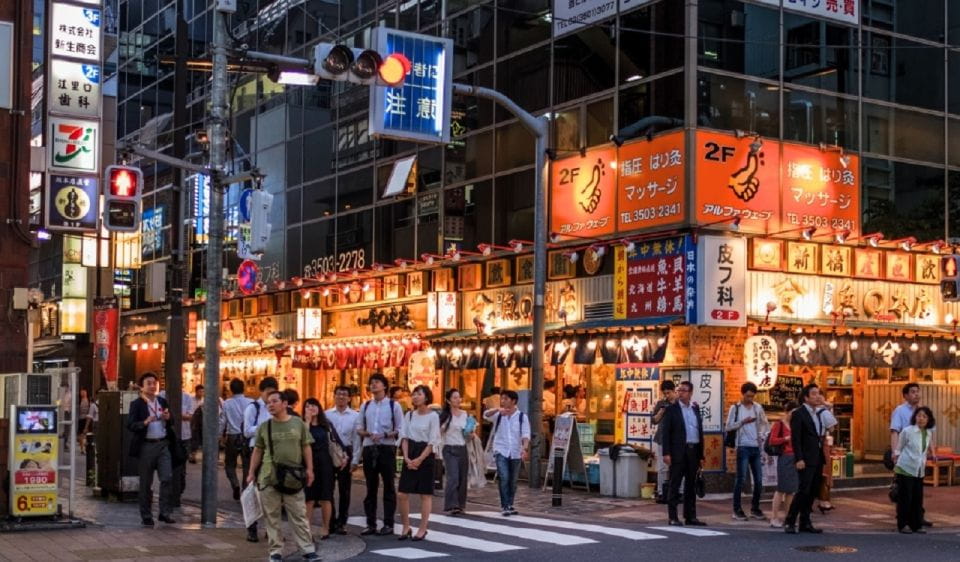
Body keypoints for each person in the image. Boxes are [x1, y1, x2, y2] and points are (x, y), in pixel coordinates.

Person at [246, 390, 319, 562]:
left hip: (293, 477)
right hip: (269, 477)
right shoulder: (265, 426)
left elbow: (306, 446)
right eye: (268, 403)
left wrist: (310, 469)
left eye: (274, 401)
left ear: (285, 404)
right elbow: (258, 450)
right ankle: (275, 551)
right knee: (272, 517)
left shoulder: (298, 423)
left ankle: (307, 549)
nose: (270, 405)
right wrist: (251, 472)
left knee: (299, 515)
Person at [356, 373, 404, 536]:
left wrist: (385, 435)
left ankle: (389, 523)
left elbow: (400, 428)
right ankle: (371, 523)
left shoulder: (393, 406)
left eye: (377, 382)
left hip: (387, 448)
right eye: (372, 383)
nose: (373, 385)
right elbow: (359, 428)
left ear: (384, 386)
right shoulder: (366, 405)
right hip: (370, 448)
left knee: (389, 486)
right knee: (370, 487)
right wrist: (367, 434)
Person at [127, 372, 176, 526]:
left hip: (162, 443)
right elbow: (130, 425)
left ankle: (164, 512)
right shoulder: (137, 404)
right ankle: (146, 515)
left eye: (154, 383)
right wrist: (145, 422)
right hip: (146, 444)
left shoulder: (162, 401)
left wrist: (169, 418)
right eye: (149, 383)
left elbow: (171, 420)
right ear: (142, 387)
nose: (153, 386)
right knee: (146, 483)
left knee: (167, 478)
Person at [398, 385, 441, 541]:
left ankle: (422, 528)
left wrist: (420, 459)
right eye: (414, 394)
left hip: (426, 454)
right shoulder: (409, 415)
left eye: (419, 394)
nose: (415, 397)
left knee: (425, 494)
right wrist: (407, 457)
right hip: (411, 451)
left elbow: (433, 440)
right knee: (402, 493)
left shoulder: (433, 416)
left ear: (426, 397)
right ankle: (405, 526)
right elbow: (404, 437)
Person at [660, 380, 706, 527]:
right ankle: (673, 517)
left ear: (691, 393)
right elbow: (665, 433)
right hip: (678, 451)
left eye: (684, 390)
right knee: (675, 484)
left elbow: (699, 431)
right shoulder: (672, 409)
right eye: (679, 390)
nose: (681, 393)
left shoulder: (695, 408)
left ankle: (690, 516)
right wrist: (666, 453)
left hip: (693, 450)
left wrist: (701, 455)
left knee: (691, 485)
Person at [889, 381, 932, 528]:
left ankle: (917, 519)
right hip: (906, 457)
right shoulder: (900, 411)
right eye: (913, 392)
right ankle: (904, 521)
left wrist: (932, 452)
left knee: (917, 492)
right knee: (905, 492)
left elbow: (929, 434)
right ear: (906, 395)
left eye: (917, 391)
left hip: (918, 461)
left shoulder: (922, 410)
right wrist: (895, 454)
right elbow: (895, 432)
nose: (916, 394)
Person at [725, 381, 770, 521]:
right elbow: (728, 427)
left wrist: (762, 435)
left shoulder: (757, 408)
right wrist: (743, 422)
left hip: (756, 446)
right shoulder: (736, 408)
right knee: (741, 479)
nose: (750, 399)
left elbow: (765, 424)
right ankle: (737, 509)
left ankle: (755, 508)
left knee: (758, 480)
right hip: (743, 446)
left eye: (752, 396)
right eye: (748, 396)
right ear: (743, 394)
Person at [784, 383, 825, 534]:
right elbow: (796, 438)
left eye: (818, 393)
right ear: (806, 397)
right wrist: (799, 458)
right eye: (813, 394)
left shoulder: (819, 413)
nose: (817, 396)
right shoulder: (798, 413)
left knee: (813, 491)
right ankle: (790, 520)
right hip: (805, 458)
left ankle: (805, 522)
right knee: (803, 490)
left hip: (817, 457)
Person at [243, 376, 279, 543]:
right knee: (253, 490)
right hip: (255, 451)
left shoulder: (276, 408)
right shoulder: (254, 408)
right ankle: (252, 528)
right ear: (262, 392)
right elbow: (247, 431)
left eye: (274, 394)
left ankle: (270, 529)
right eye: (268, 393)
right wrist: (264, 428)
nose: (271, 398)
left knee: (271, 492)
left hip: (273, 453)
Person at [483, 389, 530, 516]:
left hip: (515, 451)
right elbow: (485, 415)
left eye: (506, 399)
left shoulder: (522, 417)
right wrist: (498, 410)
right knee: (504, 477)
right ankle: (505, 505)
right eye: (502, 399)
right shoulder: (498, 415)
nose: (503, 401)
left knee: (513, 480)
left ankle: (510, 504)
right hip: (500, 449)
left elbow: (526, 434)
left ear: (513, 401)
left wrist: (524, 448)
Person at [893, 406, 935, 534]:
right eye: (919, 416)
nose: (921, 419)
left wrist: (933, 454)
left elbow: (925, 448)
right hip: (905, 467)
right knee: (905, 498)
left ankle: (916, 524)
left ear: (928, 419)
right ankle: (903, 524)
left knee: (917, 498)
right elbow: (900, 447)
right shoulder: (908, 431)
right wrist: (896, 460)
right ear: (914, 417)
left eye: (924, 416)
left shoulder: (928, 432)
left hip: (919, 469)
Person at [303, 397, 340, 540]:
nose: (311, 408)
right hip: (308, 462)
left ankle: (326, 527)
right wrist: (307, 421)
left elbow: (336, 441)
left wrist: (343, 456)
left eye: (314, 405)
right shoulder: (302, 425)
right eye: (308, 406)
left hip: (325, 463)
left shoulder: (326, 425)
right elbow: (303, 440)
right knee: (309, 498)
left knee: (326, 497)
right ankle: (307, 530)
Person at [326, 385, 361, 535]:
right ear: (334, 396)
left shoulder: (355, 416)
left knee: (344, 490)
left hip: (346, 452)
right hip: (329, 453)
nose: (341, 397)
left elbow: (357, 439)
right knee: (328, 489)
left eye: (344, 395)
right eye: (338, 394)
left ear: (349, 398)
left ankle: (342, 522)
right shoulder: (326, 414)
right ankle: (331, 520)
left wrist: (356, 460)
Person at [159, 387, 194, 507]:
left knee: (181, 466)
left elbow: (190, 416)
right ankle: (171, 495)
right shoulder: (162, 395)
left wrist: (175, 414)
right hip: (167, 436)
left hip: (185, 435)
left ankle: (178, 492)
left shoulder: (188, 397)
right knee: (167, 468)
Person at [439, 388, 471, 515]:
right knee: (453, 477)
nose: (458, 400)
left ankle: (460, 505)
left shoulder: (465, 414)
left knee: (463, 478)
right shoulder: (445, 416)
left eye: (459, 397)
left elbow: (468, 433)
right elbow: (438, 432)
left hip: (462, 447)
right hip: (449, 448)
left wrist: (471, 434)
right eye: (455, 398)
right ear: (448, 400)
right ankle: (451, 505)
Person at [220, 378, 252, 500]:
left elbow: (223, 421)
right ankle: (245, 489)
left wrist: (219, 435)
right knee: (246, 465)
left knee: (229, 464)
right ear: (243, 388)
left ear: (231, 390)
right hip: (246, 436)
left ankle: (235, 484)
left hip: (232, 436)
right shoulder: (250, 402)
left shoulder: (227, 403)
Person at [768, 402, 798, 528]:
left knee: (791, 490)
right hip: (784, 457)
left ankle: (788, 517)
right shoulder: (779, 424)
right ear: (787, 412)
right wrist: (785, 439)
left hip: (795, 458)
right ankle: (774, 517)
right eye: (793, 413)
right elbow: (772, 440)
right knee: (781, 489)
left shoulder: (796, 425)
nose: (794, 415)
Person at [652, 380, 677, 503]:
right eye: (665, 393)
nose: (667, 395)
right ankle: (662, 492)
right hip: (662, 439)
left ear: (674, 391)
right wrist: (661, 412)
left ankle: (678, 492)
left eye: (669, 393)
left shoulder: (679, 404)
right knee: (662, 468)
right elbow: (654, 420)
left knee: (677, 466)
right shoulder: (661, 404)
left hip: (676, 440)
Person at [816, 399, 839, 514]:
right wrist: (829, 409)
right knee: (825, 473)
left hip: (809, 445)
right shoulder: (823, 412)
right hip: (821, 443)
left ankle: (812, 502)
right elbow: (832, 428)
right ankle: (823, 500)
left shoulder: (805, 411)